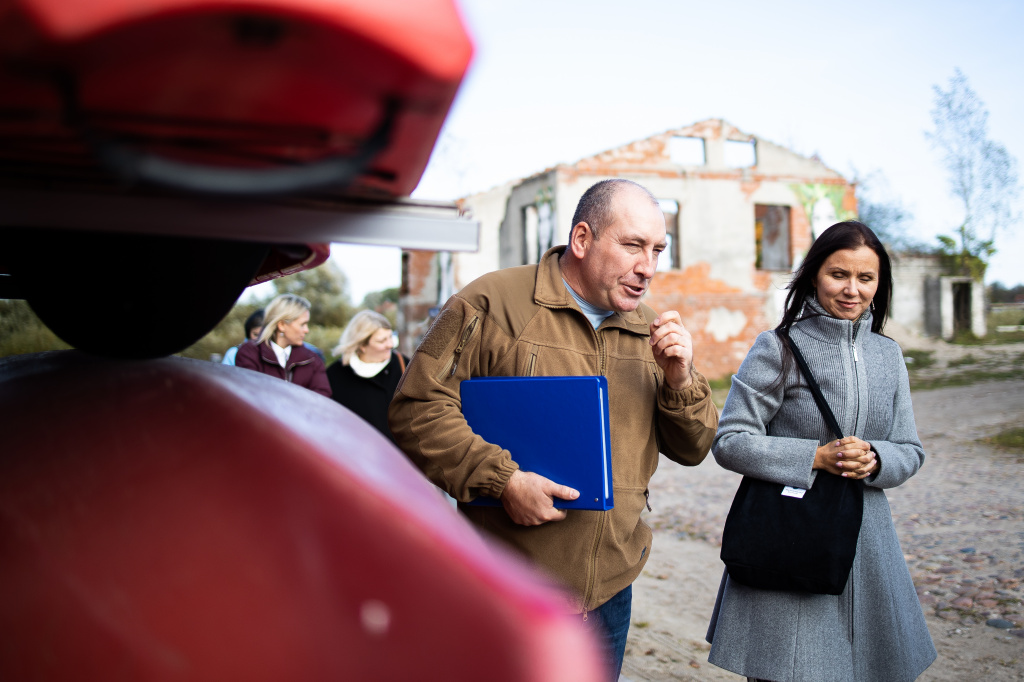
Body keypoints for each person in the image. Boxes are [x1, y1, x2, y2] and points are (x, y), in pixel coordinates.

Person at [389, 179, 718, 680]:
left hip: (609, 592)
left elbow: (694, 449)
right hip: (505, 585)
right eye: (632, 245)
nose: (647, 267)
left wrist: (681, 379)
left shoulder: (648, 328)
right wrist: (502, 481)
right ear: (582, 240)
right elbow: (416, 410)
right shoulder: (489, 302)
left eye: (656, 250)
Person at [705, 221, 936, 681]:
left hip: (868, 551)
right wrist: (814, 457)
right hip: (790, 544)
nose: (852, 290)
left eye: (865, 278)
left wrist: (876, 459)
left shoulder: (888, 355)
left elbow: (910, 449)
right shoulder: (777, 348)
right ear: (814, 275)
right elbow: (730, 441)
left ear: (878, 284)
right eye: (839, 275)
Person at [327, 310, 407, 442]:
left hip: (399, 457)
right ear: (362, 345)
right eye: (382, 341)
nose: (390, 344)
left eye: (390, 337)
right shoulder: (335, 374)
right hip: (356, 457)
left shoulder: (403, 364)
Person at [236, 294, 331, 397]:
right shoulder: (249, 353)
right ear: (281, 325)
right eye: (302, 324)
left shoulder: (313, 360)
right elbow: (249, 395)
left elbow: (322, 398)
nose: (306, 330)